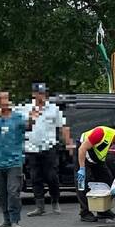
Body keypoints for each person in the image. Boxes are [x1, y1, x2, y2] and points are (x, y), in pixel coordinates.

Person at [22, 83, 74, 217]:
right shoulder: (26, 108)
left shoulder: (53, 108)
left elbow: (63, 127)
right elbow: (24, 127)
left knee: (51, 176)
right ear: (34, 94)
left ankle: (55, 200)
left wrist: (68, 143)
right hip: (32, 149)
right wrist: (32, 116)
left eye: (44, 93)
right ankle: (40, 206)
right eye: (40, 93)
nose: (42, 96)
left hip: (49, 148)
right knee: (35, 177)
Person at [75, 124, 115, 222]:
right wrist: (81, 169)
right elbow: (82, 149)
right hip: (83, 153)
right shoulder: (101, 133)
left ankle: (103, 210)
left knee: (107, 179)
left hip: (98, 159)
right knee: (83, 182)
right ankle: (85, 212)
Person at [0, 91, 26, 227]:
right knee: (1, 193)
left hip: (14, 161)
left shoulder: (18, 117)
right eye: (1, 99)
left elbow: (28, 127)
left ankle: (15, 220)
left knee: (13, 191)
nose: (4, 102)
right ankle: (6, 219)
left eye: (6, 99)